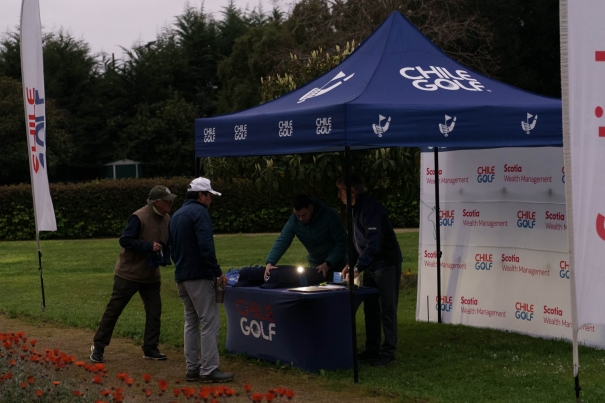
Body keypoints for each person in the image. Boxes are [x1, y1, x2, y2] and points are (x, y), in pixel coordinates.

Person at [90, 185, 176, 363]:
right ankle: (98, 346)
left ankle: (150, 348)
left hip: (151, 275)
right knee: (114, 311)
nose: (171, 203)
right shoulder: (138, 217)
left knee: (154, 312)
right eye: (167, 200)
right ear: (157, 202)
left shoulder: (167, 218)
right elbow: (125, 240)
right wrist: (148, 246)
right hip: (128, 274)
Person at [169, 177, 234, 383]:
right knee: (210, 321)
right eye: (209, 195)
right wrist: (216, 271)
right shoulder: (200, 212)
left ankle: (193, 367)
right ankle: (209, 369)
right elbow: (206, 246)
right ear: (201, 195)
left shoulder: (177, 215)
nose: (211, 200)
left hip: (182, 275)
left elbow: (172, 247)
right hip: (198, 275)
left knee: (191, 321)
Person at [337, 174, 402, 367]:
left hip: (385, 263)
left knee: (387, 307)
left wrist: (358, 268)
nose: (339, 195)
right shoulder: (353, 209)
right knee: (370, 307)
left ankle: (388, 352)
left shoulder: (371, 208)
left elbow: (373, 243)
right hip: (371, 264)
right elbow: (354, 240)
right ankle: (372, 348)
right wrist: (350, 263)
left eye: (341, 191)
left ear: (353, 192)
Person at [265, 194, 347, 281]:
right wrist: (270, 262)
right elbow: (283, 241)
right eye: (298, 215)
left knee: (339, 287)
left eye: (304, 215)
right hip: (316, 266)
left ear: (311, 208)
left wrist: (328, 263)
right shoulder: (293, 221)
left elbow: (342, 242)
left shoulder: (330, 216)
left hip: (339, 265)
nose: (301, 219)